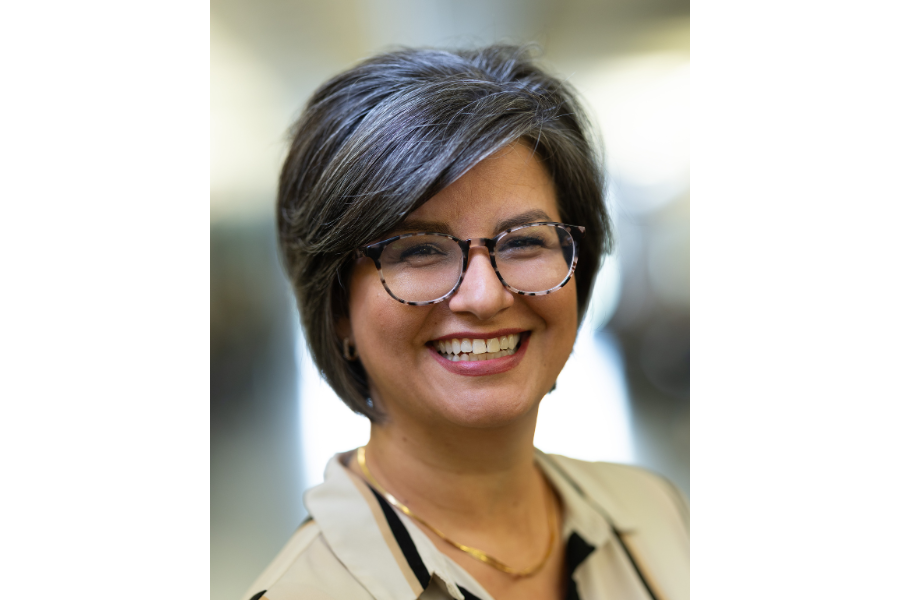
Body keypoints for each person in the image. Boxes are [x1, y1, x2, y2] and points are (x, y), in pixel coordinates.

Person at [243, 45, 688, 600]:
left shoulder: (657, 518)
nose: (485, 295)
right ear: (336, 310)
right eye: (419, 251)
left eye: (525, 241)